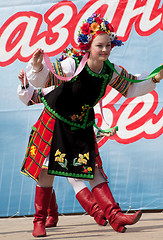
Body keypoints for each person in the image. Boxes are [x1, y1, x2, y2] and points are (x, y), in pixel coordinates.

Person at [17, 12, 163, 237]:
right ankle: (39, 221)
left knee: (93, 170)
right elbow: (44, 80)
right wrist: (37, 67)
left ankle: (115, 216)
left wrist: (154, 78)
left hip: (81, 125)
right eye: (99, 46)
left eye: (108, 45)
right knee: (46, 173)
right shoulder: (71, 65)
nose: (105, 50)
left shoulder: (109, 71)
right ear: (88, 45)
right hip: (55, 122)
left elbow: (130, 87)